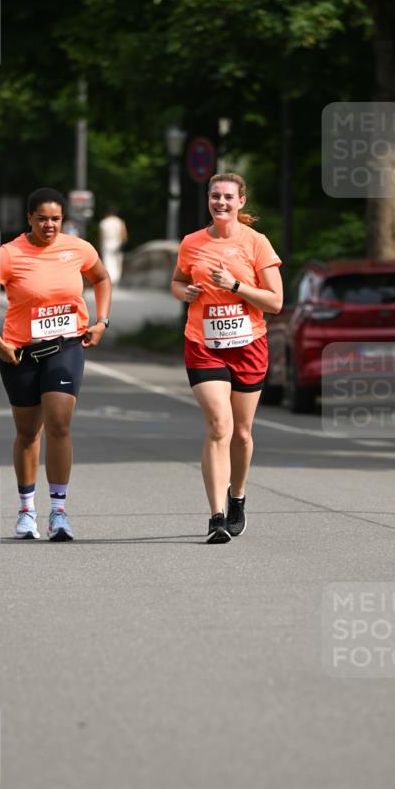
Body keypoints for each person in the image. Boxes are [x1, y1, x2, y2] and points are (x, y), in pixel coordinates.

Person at [0, 187, 111, 541]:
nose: (49, 225)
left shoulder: (78, 248)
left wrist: (102, 321)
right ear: (29, 218)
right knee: (29, 432)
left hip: (66, 346)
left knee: (59, 424)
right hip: (21, 354)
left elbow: (102, 278)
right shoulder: (9, 254)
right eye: (42, 218)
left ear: (65, 220)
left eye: (56, 219)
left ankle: (59, 512)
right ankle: (26, 510)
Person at [171, 172, 283, 543]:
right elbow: (176, 280)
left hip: (248, 344)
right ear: (208, 200)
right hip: (203, 344)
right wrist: (183, 292)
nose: (220, 202)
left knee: (243, 431)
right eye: (214, 196)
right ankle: (216, 516)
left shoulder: (257, 243)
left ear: (240, 202)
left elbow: (276, 302)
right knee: (220, 425)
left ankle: (238, 496)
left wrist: (235, 285)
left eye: (227, 197)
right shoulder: (191, 243)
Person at [98, 206, 128, 284]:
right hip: (117, 242)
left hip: (107, 243)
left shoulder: (103, 222)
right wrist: (123, 243)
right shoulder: (120, 222)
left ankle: (109, 278)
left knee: (108, 261)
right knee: (117, 261)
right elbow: (123, 234)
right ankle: (116, 279)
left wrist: (100, 245)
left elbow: (102, 236)